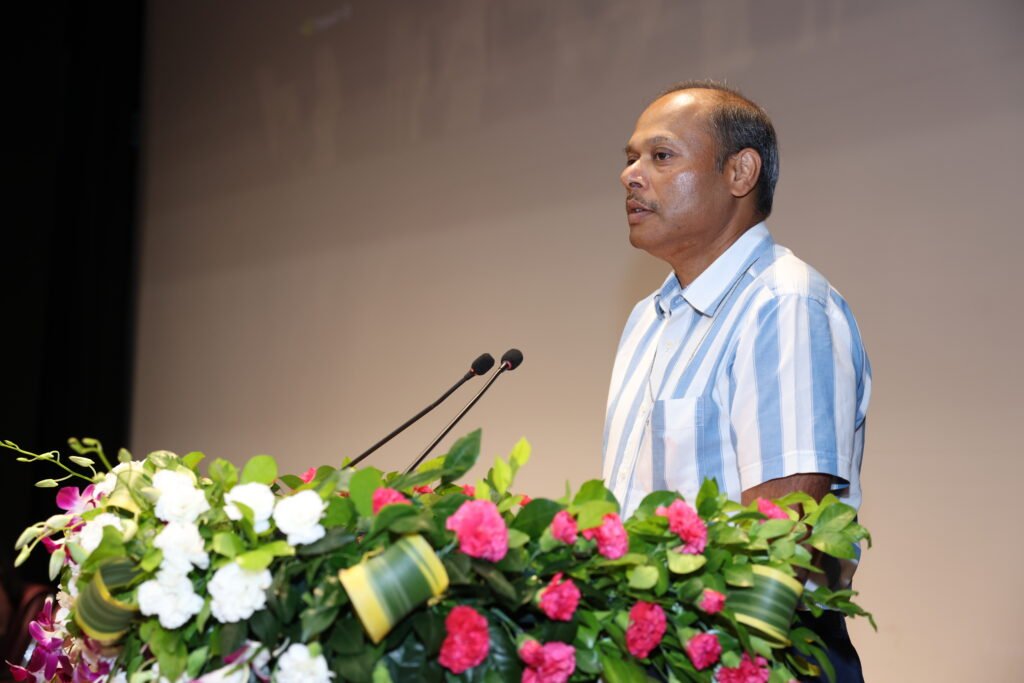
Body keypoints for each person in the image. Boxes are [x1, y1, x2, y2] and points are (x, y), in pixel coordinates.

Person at [603, 80, 870, 681]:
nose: (630, 175)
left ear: (740, 172)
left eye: (661, 156)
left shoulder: (784, 305)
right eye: (631, 158)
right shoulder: (647, 319)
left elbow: (783, 536)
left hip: (755, 651)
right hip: (650, 650)